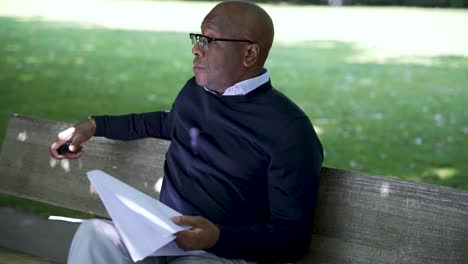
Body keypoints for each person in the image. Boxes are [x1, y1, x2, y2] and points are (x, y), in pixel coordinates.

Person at [50, 1, 323, 263]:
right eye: (197, 38)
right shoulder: (195, 93)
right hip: (160, 237)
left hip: (222, 254)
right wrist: (94, 125)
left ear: (249, 54)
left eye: (209, 40)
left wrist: (217, 238)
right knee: (95, 236)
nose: (196, 49)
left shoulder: (289, 129)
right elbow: (165, 123)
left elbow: (292, 238)